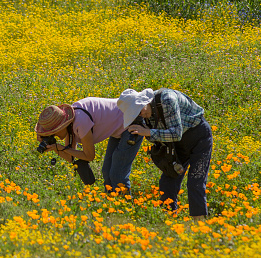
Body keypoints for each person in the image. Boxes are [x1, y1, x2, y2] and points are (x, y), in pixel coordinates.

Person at [117, 88, 212, 220]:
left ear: (144, 101)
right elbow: (157, 137)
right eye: (135, 114)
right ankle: (168, 221)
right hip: (176, 144)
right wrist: (145, 132)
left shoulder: (167, 99)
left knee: (195, 181)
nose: (140, 115)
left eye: (139, 110)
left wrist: (149, 132)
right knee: (168, 181)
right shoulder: (143, 115)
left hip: (198, 137)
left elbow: (176, 133)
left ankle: (200, 226)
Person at [35, 97, 143, 195]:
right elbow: (70, 157)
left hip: (132, 121)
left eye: (54, 132)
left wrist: (61, 147)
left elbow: (89, 156)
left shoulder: (80, 122)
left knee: (117, 173)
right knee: (107, 170)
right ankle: (112, 203)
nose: (55, 136)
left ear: (61, 126)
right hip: (118, 127)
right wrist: (55, 148)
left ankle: (123, 205)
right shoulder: (69, 123)